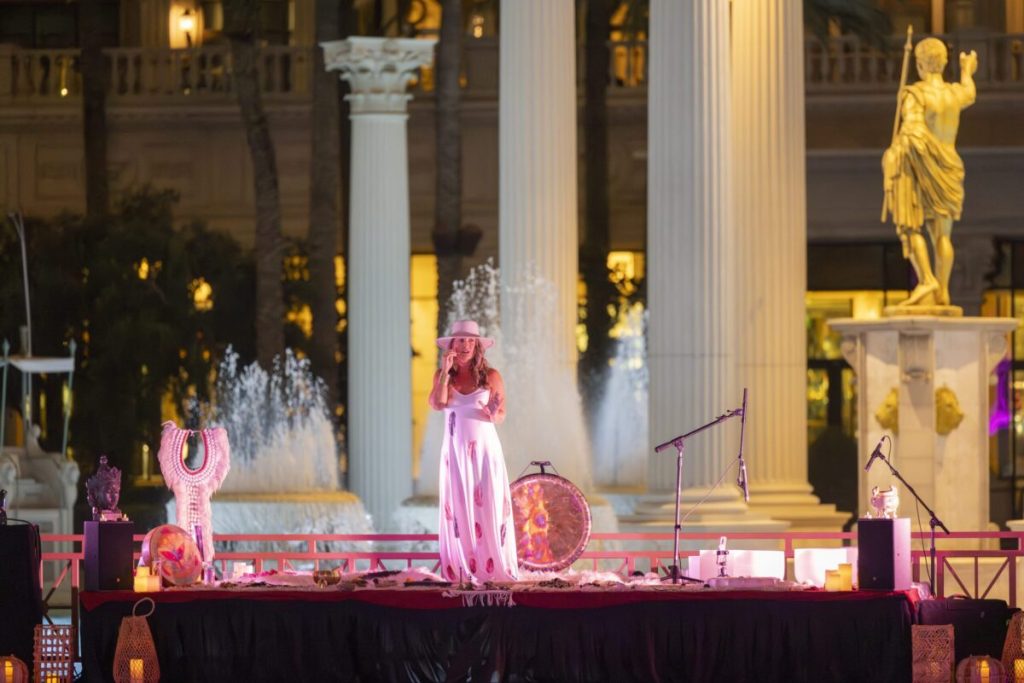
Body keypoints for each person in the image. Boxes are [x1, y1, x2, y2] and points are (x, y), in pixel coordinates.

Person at [882, 37, 977, 307]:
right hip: (950, 167)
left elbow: (912, 132)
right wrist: (967, 71)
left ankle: (927, 280)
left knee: (909, 225)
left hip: (921, 168)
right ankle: (942, 290)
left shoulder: (915, 94)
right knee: (942, 235)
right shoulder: (954, 94)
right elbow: (970, 92)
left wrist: (893, 153)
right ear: (944, 63)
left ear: (920, 64)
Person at [428, 320, 518, 583]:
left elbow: (501, 415)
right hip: (455, 452)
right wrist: (444, 373)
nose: (465, 345)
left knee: (487, 505)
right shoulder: (442, 375)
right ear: (452, 346)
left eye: (470, 340)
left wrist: (493, 412)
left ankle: (491, 570)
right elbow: (438, 403)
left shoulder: (491, 376)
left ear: (477, 346)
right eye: (460, 340)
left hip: (485, 453)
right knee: (458, 507)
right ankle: (461, 571)